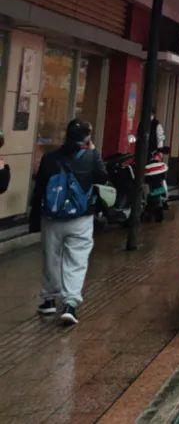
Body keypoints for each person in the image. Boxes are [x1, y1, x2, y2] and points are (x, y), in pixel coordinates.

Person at [29, 119, 107, 326]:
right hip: (81, 218)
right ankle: (70, 304)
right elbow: (103, 177)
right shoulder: (92, 157)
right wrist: (93, 150)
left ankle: (48, 300)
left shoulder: (50, 157)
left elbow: (39, 190)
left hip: (52, 218)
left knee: (51, 258)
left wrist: (34, 219)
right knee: (76, 260)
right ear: (87, 137)